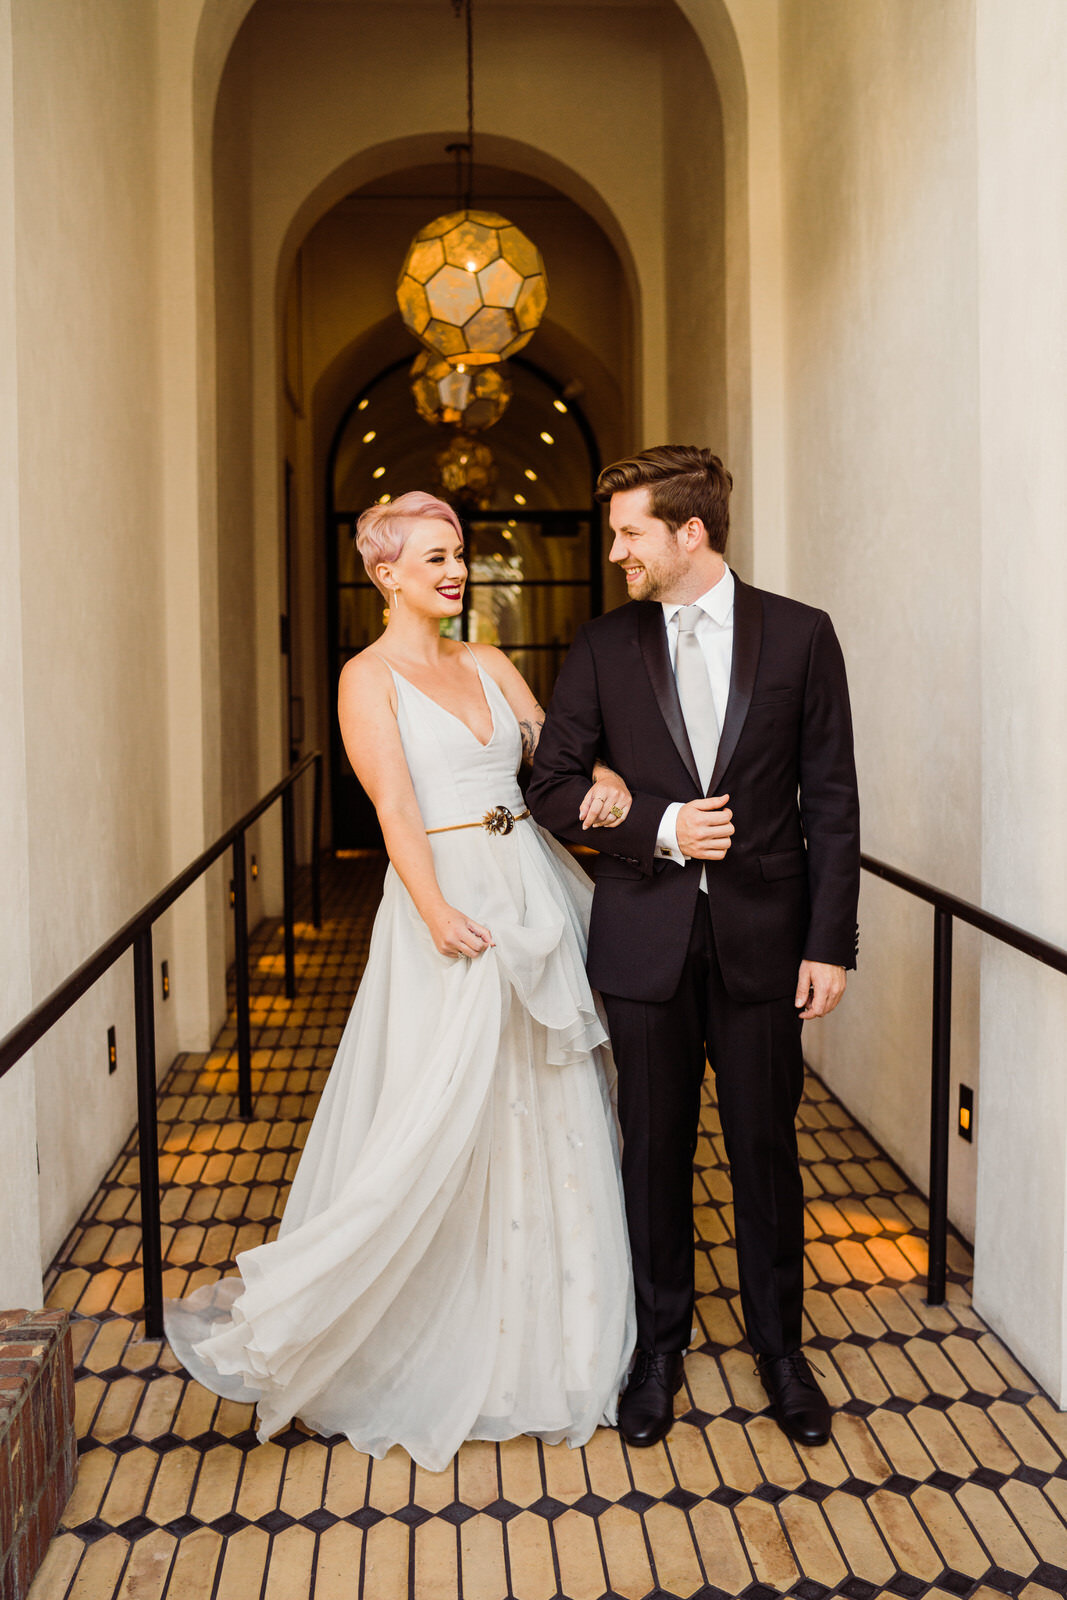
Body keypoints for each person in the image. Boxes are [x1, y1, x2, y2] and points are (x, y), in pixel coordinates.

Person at [165, 491, 636, 1472]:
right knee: (433, 1110)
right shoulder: (365, 677)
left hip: (529, 888)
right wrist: (430, 910)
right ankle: (358, 1321)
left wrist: (610, 782)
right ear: (384, 573)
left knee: (546, 1098)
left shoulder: (490, 661)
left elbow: (552, 766)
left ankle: (547, 1337)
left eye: (456, 553)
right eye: (431, 558)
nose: (452, 571)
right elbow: (388, 807)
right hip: (445, 896)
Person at [528, 446, 860, 1450]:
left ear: (688, 531)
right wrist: (663, 829)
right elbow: (547, 787)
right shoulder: (599, 644)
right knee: (653, 1153)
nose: (615, 550)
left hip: (767, 944)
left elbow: (832, 800)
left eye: (629, 531)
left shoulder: (801, 637)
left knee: (764, 1151)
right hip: (642, 945)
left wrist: (829, 941)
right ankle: (657, 1350)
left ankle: (780, 1351)